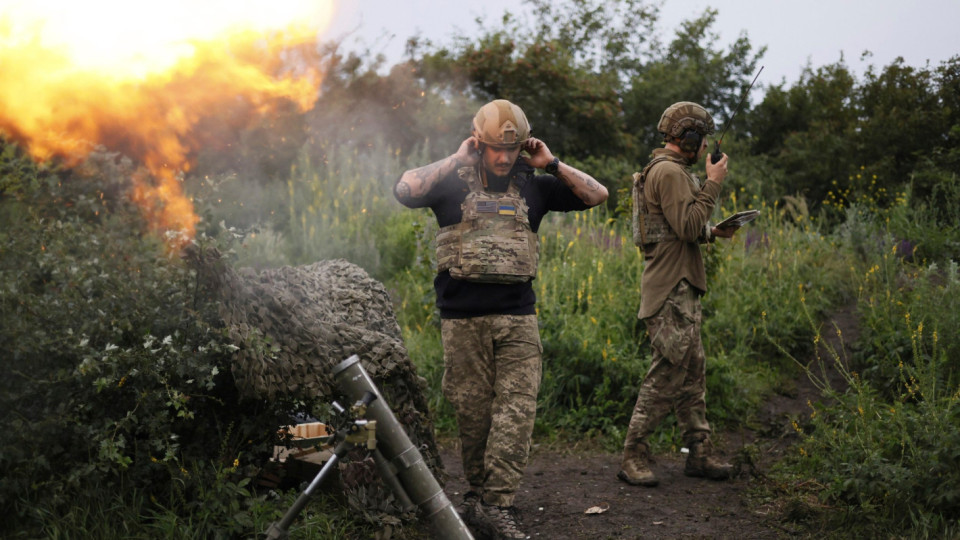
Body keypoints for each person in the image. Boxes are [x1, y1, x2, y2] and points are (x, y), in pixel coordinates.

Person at [394, 99, 607, 539]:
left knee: (516, 412)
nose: (504, 157)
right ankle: (478, 498)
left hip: (517, 318)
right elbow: (405, 190)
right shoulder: (451, 185)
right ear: (479, 143)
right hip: (462, 321)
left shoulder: (535, 185)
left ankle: (498, 504)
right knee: (473, 417)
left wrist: (552, 163)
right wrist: (456, 158)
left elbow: (597, 195)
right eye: (494, 149)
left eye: (512, 150)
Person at [618, 101, 740, 488]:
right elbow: (687, 227)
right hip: (670, 289)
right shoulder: (670, 173)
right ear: (687, 138)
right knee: (667, 374)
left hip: (680, 287)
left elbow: (675, 228)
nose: (705, 148)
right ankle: (633, 455)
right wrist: (714, 182)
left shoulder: (670, 172)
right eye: (701, 140)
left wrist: (714, 231)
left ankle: (699, 452)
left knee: (692, 375)